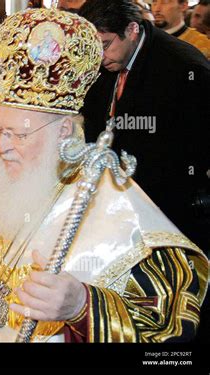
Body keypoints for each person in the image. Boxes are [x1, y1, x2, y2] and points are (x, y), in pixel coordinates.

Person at [0, 7, 208, 343]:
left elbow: (167, 329)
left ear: (64, 130)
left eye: (19, 134)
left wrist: (82, 306)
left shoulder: (115, 206)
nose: (3, 148)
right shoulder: (4, 180)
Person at [79, 0, 210, 253]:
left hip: (167, 213)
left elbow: (195, 152)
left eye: (105, 45)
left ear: (131, 30)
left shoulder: (183, 68)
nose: (100, 56)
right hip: (117, 203)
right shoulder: (107, 59)